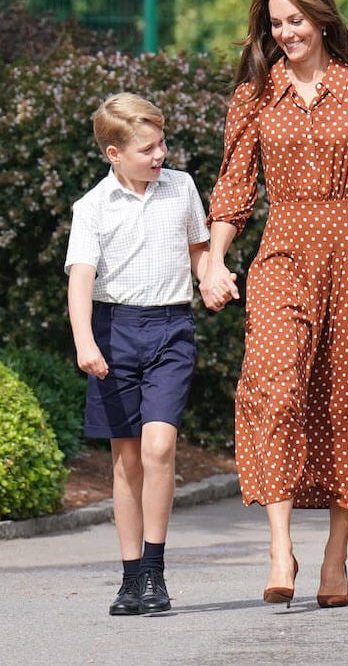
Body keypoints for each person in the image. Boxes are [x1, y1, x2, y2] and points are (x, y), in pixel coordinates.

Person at [201, 0, 348, 609]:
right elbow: (235, 186)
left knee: (344, 400)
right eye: (276, 24)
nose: (286, 33)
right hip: (281, 252)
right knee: (272, 387)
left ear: (322, 19)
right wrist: (216, 261)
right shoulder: (255, 95)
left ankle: (335, 558)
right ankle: (281, 549)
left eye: (296, 20)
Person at [66, 93, 217, 615]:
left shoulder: (181, 188)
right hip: (113, 332)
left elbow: (199, 247)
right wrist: (85, 340)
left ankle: (154, 570)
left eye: (163, 144)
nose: (161, 155)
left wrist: (210, 275)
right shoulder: (92, 207)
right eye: (148, 148)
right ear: (114, 153)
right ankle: (131, 578)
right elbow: (81, 279)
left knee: (157, 449)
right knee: (126, 458)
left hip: (171, 328)